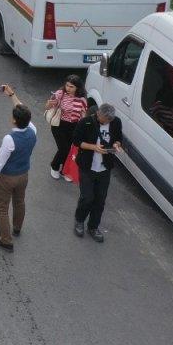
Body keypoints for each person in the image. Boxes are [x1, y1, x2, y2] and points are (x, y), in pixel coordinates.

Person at [0, 86, 36, 252]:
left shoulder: (9, 139)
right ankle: (17, 227)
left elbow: (0, 161)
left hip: (7, 178)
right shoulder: (32, 131)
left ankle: (6, 241)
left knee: (2, 208)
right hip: (23, 174)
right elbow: (24, 111)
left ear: (14, 120)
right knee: (19, 201)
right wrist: (12, 96)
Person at [73, 104, 124, 243]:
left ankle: (93, 226)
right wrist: (94, 147)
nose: (108, 122)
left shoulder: (116, 122)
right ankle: (79, 221)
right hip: (87, 166)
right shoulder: (86, 122)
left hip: (104, 168)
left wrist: (116, 145)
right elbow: (76, 141)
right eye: (105, 120)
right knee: (87, 197)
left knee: (100, 200)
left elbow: (119, 138)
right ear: (99, 114)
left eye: (110, 121)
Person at [45, 75, 88, 181]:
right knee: (63, 148)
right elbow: (47, 107)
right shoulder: (60, 94)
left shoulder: (82, 99)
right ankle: (54, 166)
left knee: (69, 150)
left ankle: (64, 170)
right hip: (59, 125)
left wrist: (84, 129)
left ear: (77, 88)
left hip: (74, 126)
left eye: (71, 86)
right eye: (67, 85)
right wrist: (49, 104)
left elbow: (83, 115)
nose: (68, 88)